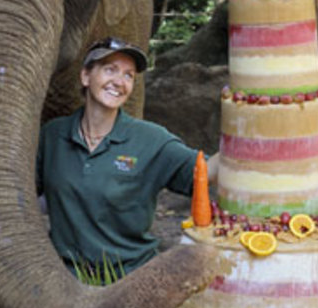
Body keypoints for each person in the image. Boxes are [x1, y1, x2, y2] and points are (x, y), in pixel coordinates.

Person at [37, 36, 218, 281]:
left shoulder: (150, 139)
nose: (119, 82)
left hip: (131, 281)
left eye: (128, 75)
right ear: (85, 76)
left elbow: (205, 172)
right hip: (66, 281)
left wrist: (249, 142)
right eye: (110, 69)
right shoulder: (53, 135)